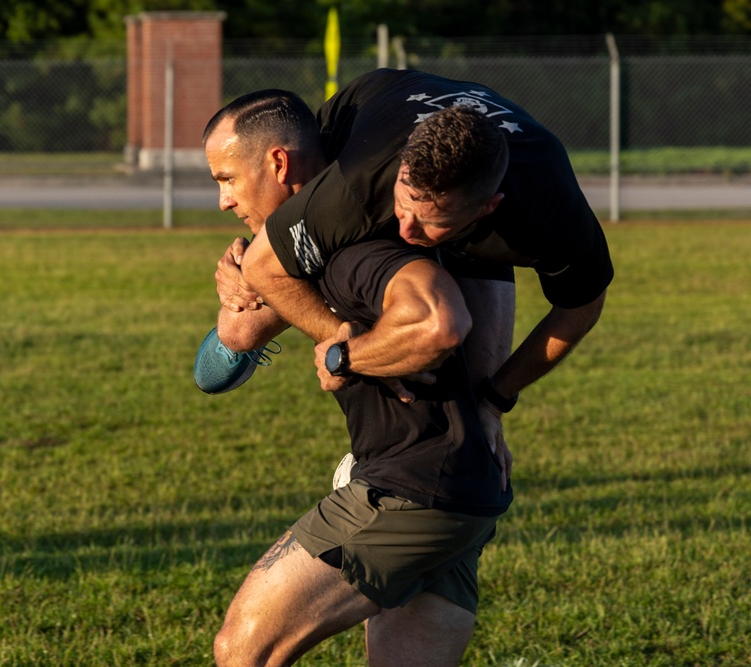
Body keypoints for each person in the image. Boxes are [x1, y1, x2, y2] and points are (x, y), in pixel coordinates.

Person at [204, 91, 513, 666]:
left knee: (244, 649)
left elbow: (438, 317)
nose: (223, 201)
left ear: (277, 164)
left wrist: (344, 354)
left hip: (411, 488)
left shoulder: (357, 245)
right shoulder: (329, 240)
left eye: (227, 178)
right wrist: (247, 271)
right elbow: (234, 338)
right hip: (465, 490)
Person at [211, 69, 614, 471]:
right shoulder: (362, 177)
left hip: (475, 218)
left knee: (474, 421)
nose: (405, 232)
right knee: (241, 329)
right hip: (380, 128)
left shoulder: (550, 213)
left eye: (427, 221)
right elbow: (267, 265)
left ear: (488, 207)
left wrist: (497, 397)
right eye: (403, 209)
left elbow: (580, 309)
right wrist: (346, 344)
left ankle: (410, 474)